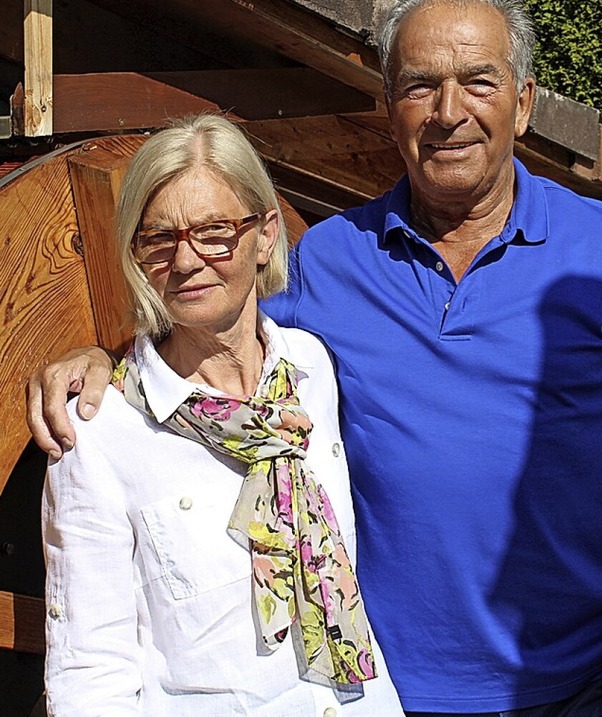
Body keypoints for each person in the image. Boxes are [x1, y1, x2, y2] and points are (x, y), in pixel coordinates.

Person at [28, 0, 602, 715]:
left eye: (479, 81)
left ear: (525, 102)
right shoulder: (332, 258)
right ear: (388, 109)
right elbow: (209, 320)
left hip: (589, 686)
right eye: (420, 86)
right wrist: (102, 356)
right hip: (386, 688)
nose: (449, 113)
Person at [40, 113, 403, 716]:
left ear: (264, 236)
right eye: (158, 239)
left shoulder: (309, 371)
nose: (185, 262)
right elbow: (89, 678)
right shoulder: (100, 433)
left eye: (214, 232)